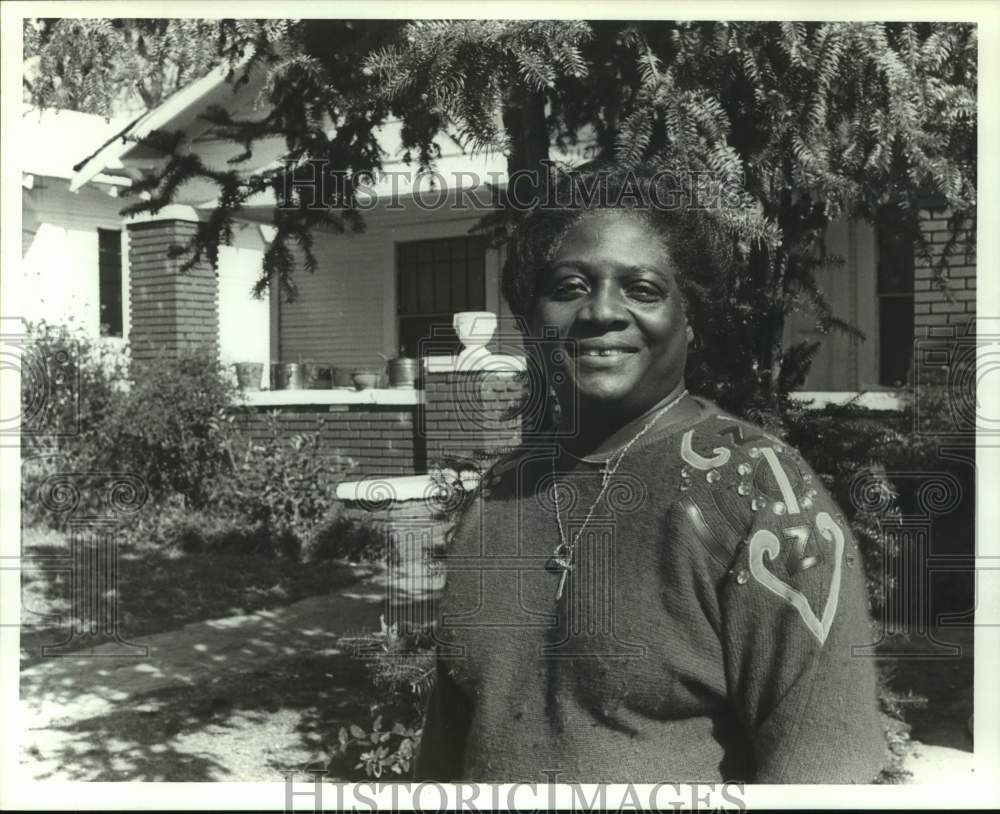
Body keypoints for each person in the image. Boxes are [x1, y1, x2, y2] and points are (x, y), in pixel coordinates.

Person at [414, 165, 887, 784]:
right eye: (570, 285)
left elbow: (824, 776)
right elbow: (445, 751)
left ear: (690, 319)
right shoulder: (502, 494)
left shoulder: (759, 496)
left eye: (641, 288)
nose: (602, 311)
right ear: (532, 316)